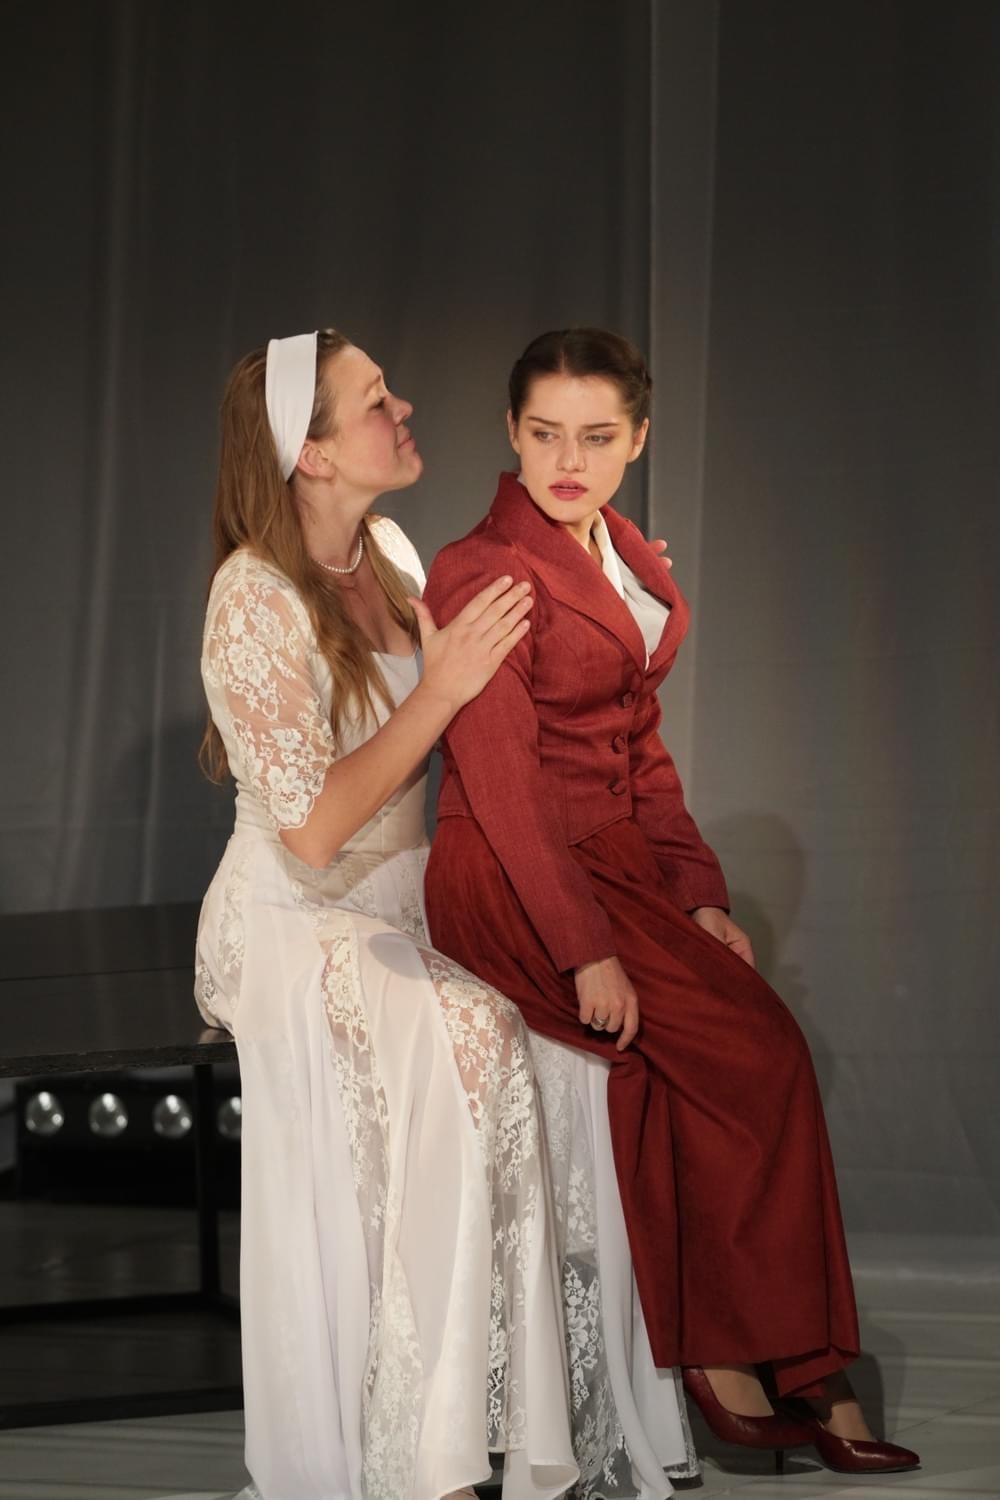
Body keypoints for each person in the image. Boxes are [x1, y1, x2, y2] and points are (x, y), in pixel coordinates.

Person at [422, 327, 921, 1478]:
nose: (567, 460)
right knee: (753, 1055)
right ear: (510, 432)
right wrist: (586, 949)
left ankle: (773, 1361)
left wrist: (698, 898)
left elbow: (641, 758)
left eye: (597, 437)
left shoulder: (633, 564)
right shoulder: (482, 566)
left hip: (615, 861)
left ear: (638, 438)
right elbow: (499, 787)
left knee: (743, 1053)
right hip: (515, 871)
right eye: (544, 433)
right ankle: (760, 1361)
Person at [194, 328, 579, 1500]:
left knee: (545, 1050)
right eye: (371, 401)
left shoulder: (394, 550)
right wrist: (446, 683)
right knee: (469, 1041)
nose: (401, 406)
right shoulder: (250, 599)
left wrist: (598, 589)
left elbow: (492, 694)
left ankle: (478, 1423)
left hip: (402, 900)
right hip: (293, 915)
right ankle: (431, 1462)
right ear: (309, 456)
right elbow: (310, 829)